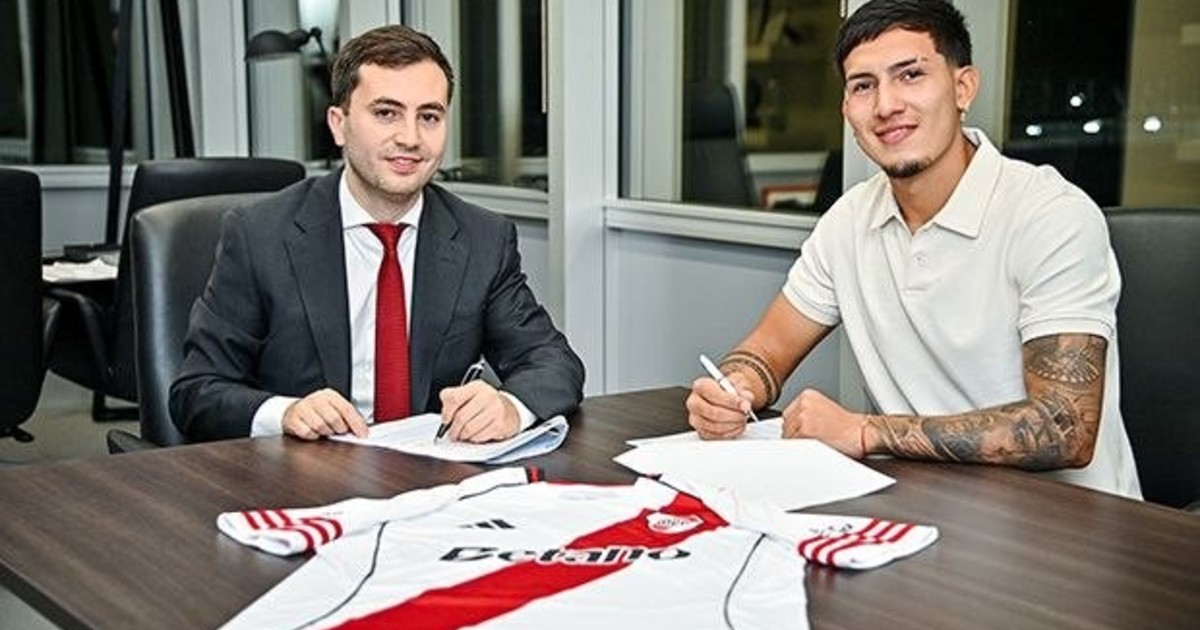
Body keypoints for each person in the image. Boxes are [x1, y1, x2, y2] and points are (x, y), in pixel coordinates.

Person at [686, 0, 1140, 498]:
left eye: (910, 75)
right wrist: (734, 388)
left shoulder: (1051, 215)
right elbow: (766, 351)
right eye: (863, 86)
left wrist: (865, 432)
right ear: (846, 109)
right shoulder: (848, 221)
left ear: (963, 88)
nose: (886, 105)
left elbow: (1064, 426)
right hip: (921, 505)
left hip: (1065, 523)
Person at [171, 25, 584, 443]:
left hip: (432, 470)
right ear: (339, 124)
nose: (410, 138)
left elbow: (552, 361)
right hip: (305, 471)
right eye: (386, 113)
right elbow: (197, 391)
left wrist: (510, 407)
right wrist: (286, 413)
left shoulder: (484, 239)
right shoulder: (259, 235)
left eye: (429, 117)